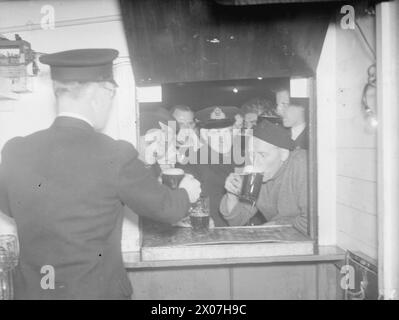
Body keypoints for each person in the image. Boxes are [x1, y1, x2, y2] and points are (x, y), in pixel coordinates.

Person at [0, 48, 201, 300]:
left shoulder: (15, 149)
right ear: (100, 93)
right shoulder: (114, 154)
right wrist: (187, 192)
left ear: (57, 91)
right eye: (111, 93)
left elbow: (10, 207)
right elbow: (168, 209)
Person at [220, 119, 308, 234]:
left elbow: (313, 222)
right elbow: (237, 221)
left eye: (262, 155)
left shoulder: (302, 165)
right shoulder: (256, 173)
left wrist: (273, 226)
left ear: (283, 154)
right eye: (251, 155)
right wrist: (232, 194)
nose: (255, 162)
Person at [177, 106, 247, 227]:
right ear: (204, 135)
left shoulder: (243, 157)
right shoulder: (190, 158)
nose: (222, 138)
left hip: (240, 226)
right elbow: (180, 199)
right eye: (215, 133)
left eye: (227, 131)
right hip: (207, 228)